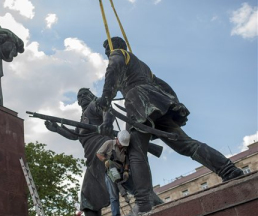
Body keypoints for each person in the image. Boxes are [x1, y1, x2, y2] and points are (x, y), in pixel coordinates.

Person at [96, 36, 244, 215]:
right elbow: (162, 85)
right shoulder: (142, 65)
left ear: (115, 46)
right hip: (156, 103)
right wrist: (173, 102)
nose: (106, 53)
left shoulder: (119, 54)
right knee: (186, 145)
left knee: (136, 153)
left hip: (138, 102)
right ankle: (228, 170)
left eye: (107, 49)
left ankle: (144, 202)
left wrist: (105, 98)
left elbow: (112, 70)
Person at [45, 88, 114, 216]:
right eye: (79, 96)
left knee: (115, 181)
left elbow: (106, 109)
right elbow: (74, 135)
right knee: (87, 195)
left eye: (85, 94)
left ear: (91, 95)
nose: (82, 97)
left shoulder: (94, 106)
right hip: (91, 158)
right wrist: (57, 129)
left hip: (102, 151)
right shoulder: (83, 118)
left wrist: (107, 123)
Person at [97, 130, 163, 216]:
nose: (121, 146)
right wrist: (105, 160)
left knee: (136, 189)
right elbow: (98, 153)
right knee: (114, 197)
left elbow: (127, 161)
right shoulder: (109, 144)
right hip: (110, 173)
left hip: (121, 172)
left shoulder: (126, 147)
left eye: (123, 144)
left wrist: (126, 171)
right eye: (120, 144)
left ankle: (142, 206)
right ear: (117, 139)